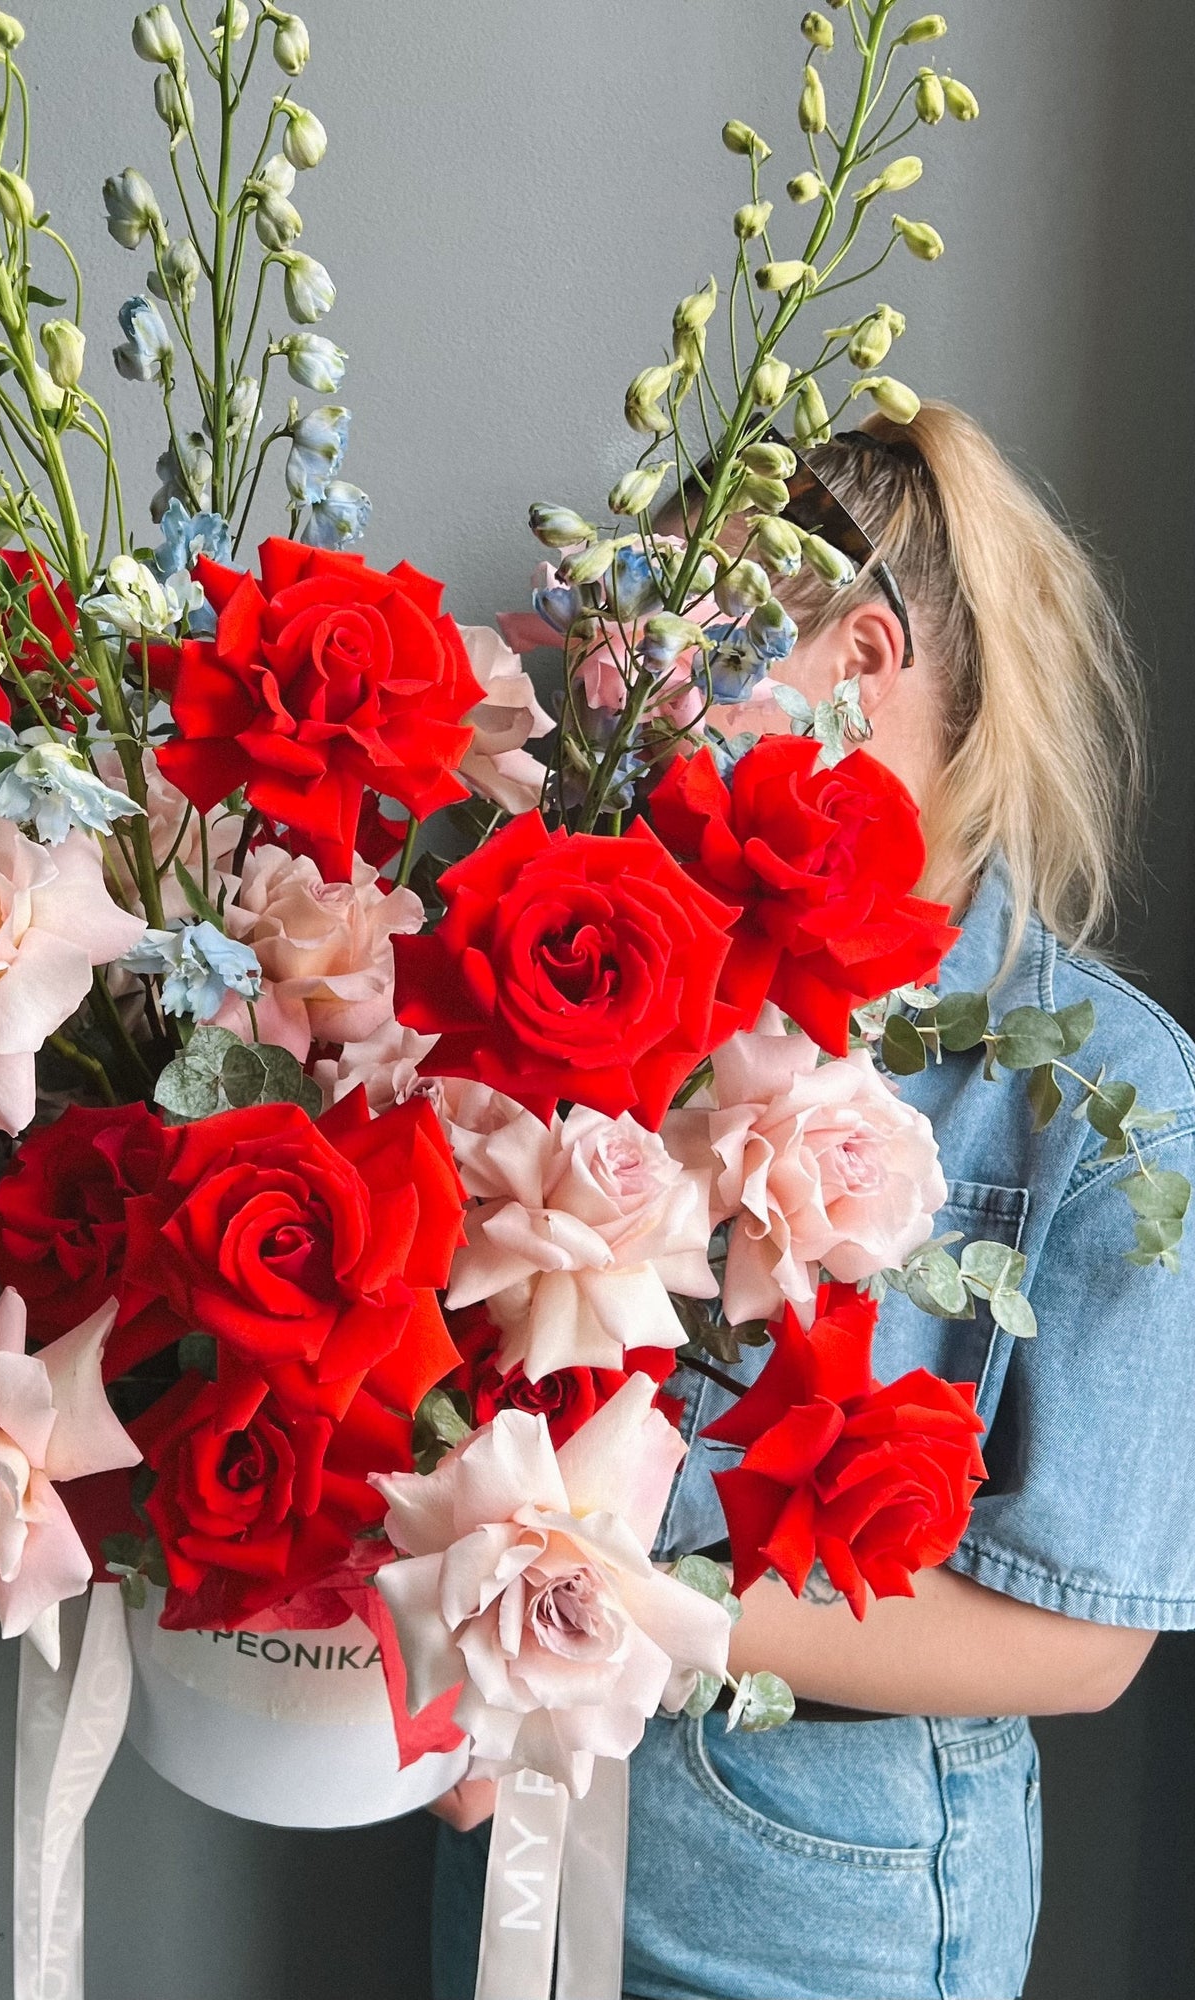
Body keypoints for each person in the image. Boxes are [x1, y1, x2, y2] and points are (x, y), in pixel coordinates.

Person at [428, 403, 1195, 2000]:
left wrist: (650, 1609)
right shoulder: (627, 972)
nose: (636, 710)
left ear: (858, 656)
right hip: (522, 1831)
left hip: (825, 1897)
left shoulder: (1110, 1095)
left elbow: (1086, 1638)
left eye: (694, 652)